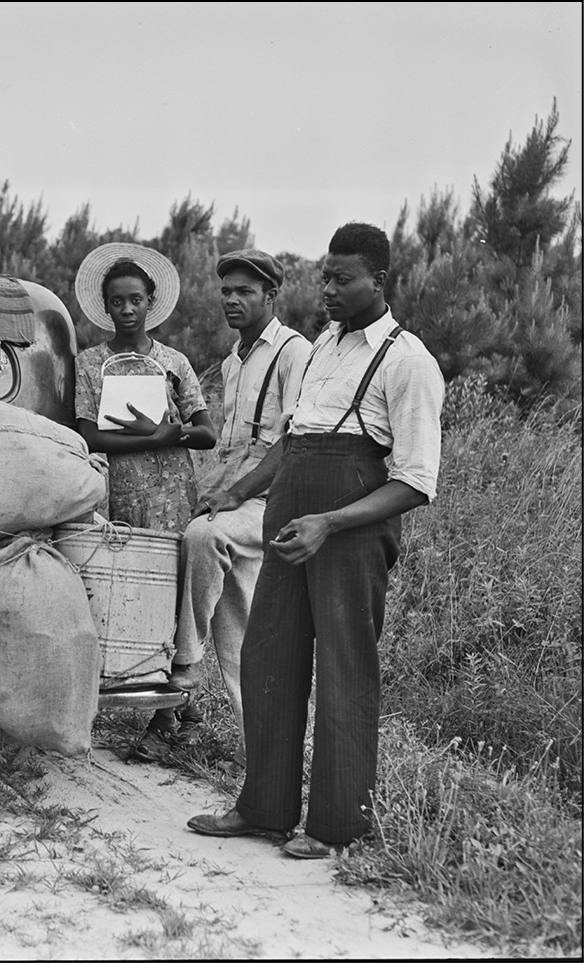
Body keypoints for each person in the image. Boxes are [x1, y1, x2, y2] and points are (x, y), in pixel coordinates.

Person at [188, 223, 444, 859]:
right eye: (323, 276)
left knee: (342, 669)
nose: (325, 289)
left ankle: (336, 826)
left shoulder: (407, 361)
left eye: (342, 279)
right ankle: (265, 807)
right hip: (290, 519)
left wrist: (330, 522)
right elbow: (293, 441)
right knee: (267, 657)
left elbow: (415, 481)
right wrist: (237, 492)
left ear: (378, 281)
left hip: (350, 532)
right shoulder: (324, 346)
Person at [169, 249, 311, 770]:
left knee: (203, 539)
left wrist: (233, 494)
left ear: (271, 297)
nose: (231, 299)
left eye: (244, 291)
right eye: (226, 290)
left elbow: (291, 442)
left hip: (273, 497)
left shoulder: (295, 352)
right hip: (235, 486)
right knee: (241, 632)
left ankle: (184, 667)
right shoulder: (235, 358)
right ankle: (266, 760)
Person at [72, 243, 216, 742]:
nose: (127, 310)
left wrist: (167, 434)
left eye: (136, 300)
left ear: (150, 301)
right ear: (105, 306)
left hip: (172, 488)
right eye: (117, 302)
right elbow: (87, 434)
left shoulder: (173, 362)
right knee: (122, 582)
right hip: (119, 489)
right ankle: (121, 682)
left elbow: (205, 431)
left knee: (173, 588)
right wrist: (148, 436)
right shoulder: (90, 363)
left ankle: (175, 703)